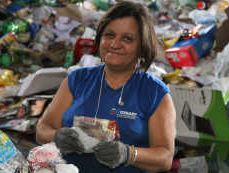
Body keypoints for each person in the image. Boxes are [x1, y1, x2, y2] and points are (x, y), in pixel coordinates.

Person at [36, 1, 176, 173]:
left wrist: (129, 154)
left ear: (142, 46)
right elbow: (42, 129)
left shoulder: (155, 92)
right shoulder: (77, 79)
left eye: (127, 38)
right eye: (109, 35)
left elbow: (165, 158)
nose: (115, 44)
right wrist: (57, 136)